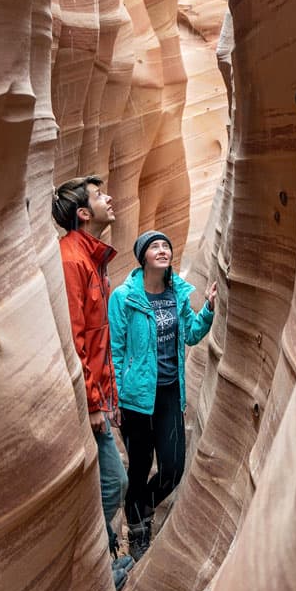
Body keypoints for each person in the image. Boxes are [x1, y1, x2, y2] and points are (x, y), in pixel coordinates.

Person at [108, 230, 217, 561]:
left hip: (170, 394)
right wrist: (112, 397)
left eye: (165, 247)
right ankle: (138, 530)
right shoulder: (124, 297)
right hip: (135, 398)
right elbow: (115, 348)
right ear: (143, 257)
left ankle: (143, 507)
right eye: (154, 247)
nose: (162, 251)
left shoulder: (178, 295)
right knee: (139, 467)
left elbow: (193, 334)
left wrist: (209, 309)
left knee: (173, 468)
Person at [52, 175, 133, 591]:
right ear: (84, 213)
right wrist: (93, 402)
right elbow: (76, 336)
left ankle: (102, 564)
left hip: (98, 397)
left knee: (109, 481)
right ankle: (95, 574)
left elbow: (99, 339)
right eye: (101, 196)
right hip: (85, 402)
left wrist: (110, 397)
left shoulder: (91, 260)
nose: (110, 198)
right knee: (112, 482)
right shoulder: (72, 260)